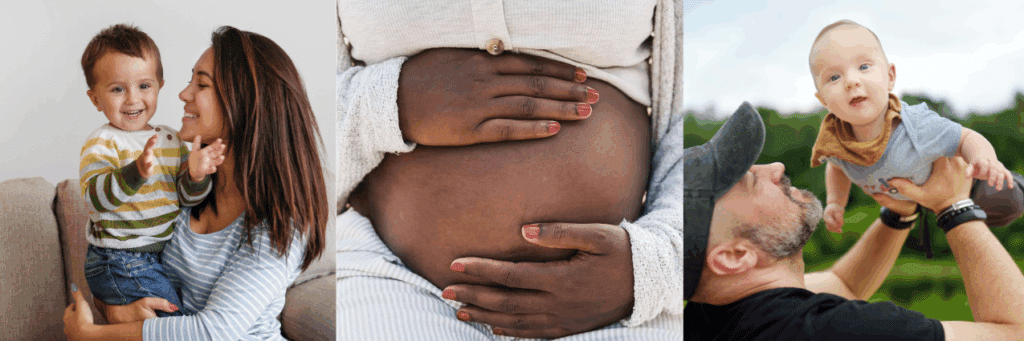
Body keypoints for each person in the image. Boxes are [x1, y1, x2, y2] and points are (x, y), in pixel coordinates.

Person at [336, 0, 683, 339]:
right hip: (391, 282)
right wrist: (386, 102)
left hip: (616, 305)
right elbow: (298, 126)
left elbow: (691, 126)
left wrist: (648, 270)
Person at [63, 26, 328, 340]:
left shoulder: (282, 224)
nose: (183, 94)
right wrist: (113, 310)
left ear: (242, 102)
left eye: (201, 84)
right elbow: (122, 269)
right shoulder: (181, 184)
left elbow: (214, 332)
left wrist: (88, 335)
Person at [683, 102, 1024, 340]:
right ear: (734, 256)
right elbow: (1015, 333)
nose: (775, 169)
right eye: (750, 181)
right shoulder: (839, 331)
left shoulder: (710, 312)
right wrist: (954, 206)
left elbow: (842, 284)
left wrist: (900, 212)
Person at [807, 20, 1024, 234]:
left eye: (864, 67)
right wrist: (835, 202)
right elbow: (836, 167)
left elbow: (965, 138)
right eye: (834, 77)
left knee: (1009, 199)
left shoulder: (915, 125)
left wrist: (983, 159)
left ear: (890, 76)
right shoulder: (835, 142)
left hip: (967, 180)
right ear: (823, 100)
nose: (851, 81)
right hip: (918, 202)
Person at [78, 23, 225, 316]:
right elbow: (95, 199)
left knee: (177, 317)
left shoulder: (171, 139)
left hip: (159, 258)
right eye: (118, 89)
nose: (133, 99)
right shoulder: (103, 142)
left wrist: (195, 176)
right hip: (117, 258)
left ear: (160, 86)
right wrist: (135, 174)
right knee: (172, 320)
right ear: (95, 99)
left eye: (144, 86)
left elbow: (186, 199)